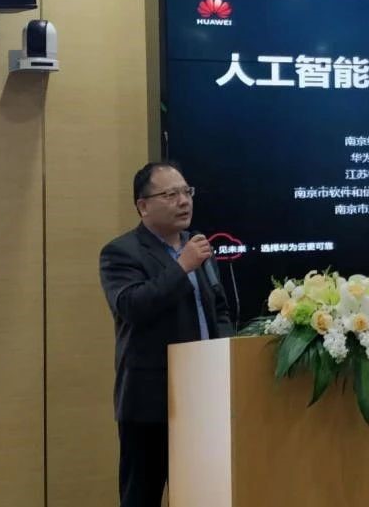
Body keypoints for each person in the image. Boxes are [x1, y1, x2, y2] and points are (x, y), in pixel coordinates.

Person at [99, 161, 233, 507]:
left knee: (203, 495)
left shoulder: (196, 246)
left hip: (203, 397)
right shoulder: (120, 252)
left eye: (186, 192)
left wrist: (226, 352)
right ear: (143, 206)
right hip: (150, 401)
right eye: (171, 194)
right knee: (141, 496)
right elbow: (132, 306)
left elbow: (218, 309)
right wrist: (181, 266)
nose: (184, 201)